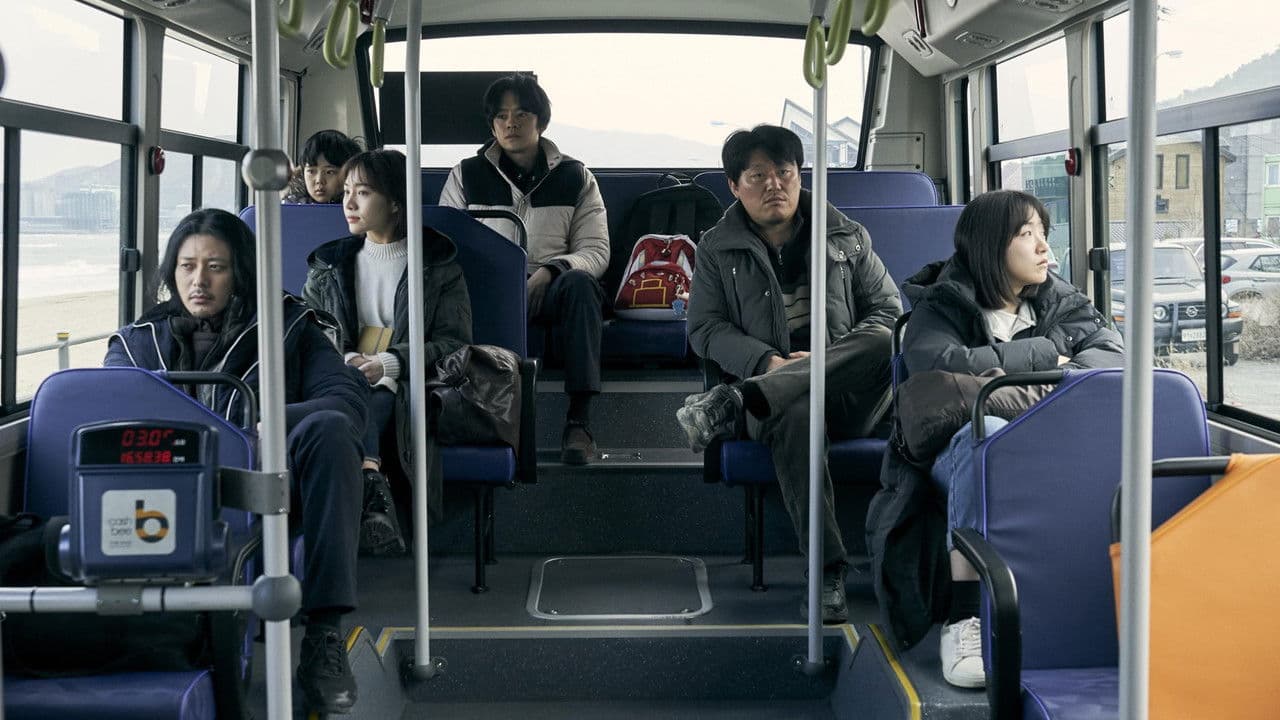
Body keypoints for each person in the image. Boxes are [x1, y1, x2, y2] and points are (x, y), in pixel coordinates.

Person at [105, 208, 368, 715]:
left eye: (216, 267)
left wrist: (270, 422)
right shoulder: (138, 343)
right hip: (167, 493)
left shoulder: (289, 326)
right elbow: (110, 412)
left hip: (265, 490)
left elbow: (347, 400)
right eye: (187, 267)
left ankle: (324, 633)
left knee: (330, 431)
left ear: (241, 272)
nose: (198, 281)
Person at [876, 189, 1124, 688]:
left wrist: (995, 382)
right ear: (992, 245)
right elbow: (938, 369)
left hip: (1055, 439)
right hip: (953, 449)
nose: (1044, 248)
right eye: (1028, 234)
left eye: (1044, 234)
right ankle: (965, 617)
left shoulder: (1061, 300)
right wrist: (1046, 359)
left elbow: (1110, 359)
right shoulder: (941, 306)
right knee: (986, 433)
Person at [679, 125, 902, 623]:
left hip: (846, 397)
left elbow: (889, 313)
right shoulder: (717, 247)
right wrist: (768, 365)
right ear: (734, 186)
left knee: (883, 339)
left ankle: (739, 399)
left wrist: (819, 361)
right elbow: (705, 329)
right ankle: (826, 571)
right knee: (798, 408)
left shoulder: (846, 236)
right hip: (779, 404)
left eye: (785, 172)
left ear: (801, 176)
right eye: (758, 175)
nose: (774, 185)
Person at [303, 149, 472, 555]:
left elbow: (454, 342)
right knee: (353, 392)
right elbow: (311, 333)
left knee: (371, 396)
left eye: (362, 193)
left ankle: (367, 489)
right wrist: (347, 361)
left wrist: (390, 363)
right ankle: (371, 485)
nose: (348, 203)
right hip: (343, 375)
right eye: (346, 191)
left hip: (410, 380)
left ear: (395, 202)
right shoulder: (329, 266)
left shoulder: (437, 264)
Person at [438, 73, 608, 465]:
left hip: (551, 288)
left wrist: (552, 271)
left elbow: (596, 250)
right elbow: (447, 243)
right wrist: (499, 281)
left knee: (582, 285)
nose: (510, 123)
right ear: (492, 124)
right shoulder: (466, 175)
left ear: (541, 121)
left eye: (521, 114)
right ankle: (479, 422)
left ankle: (578, 422)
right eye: (501, 116)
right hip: (487, 288)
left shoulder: (575, 177)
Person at [284, 129, 362, 204]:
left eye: (329, 172)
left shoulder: (358, 207)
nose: (319, 180)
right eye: (311, 171)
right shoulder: (292, 205)